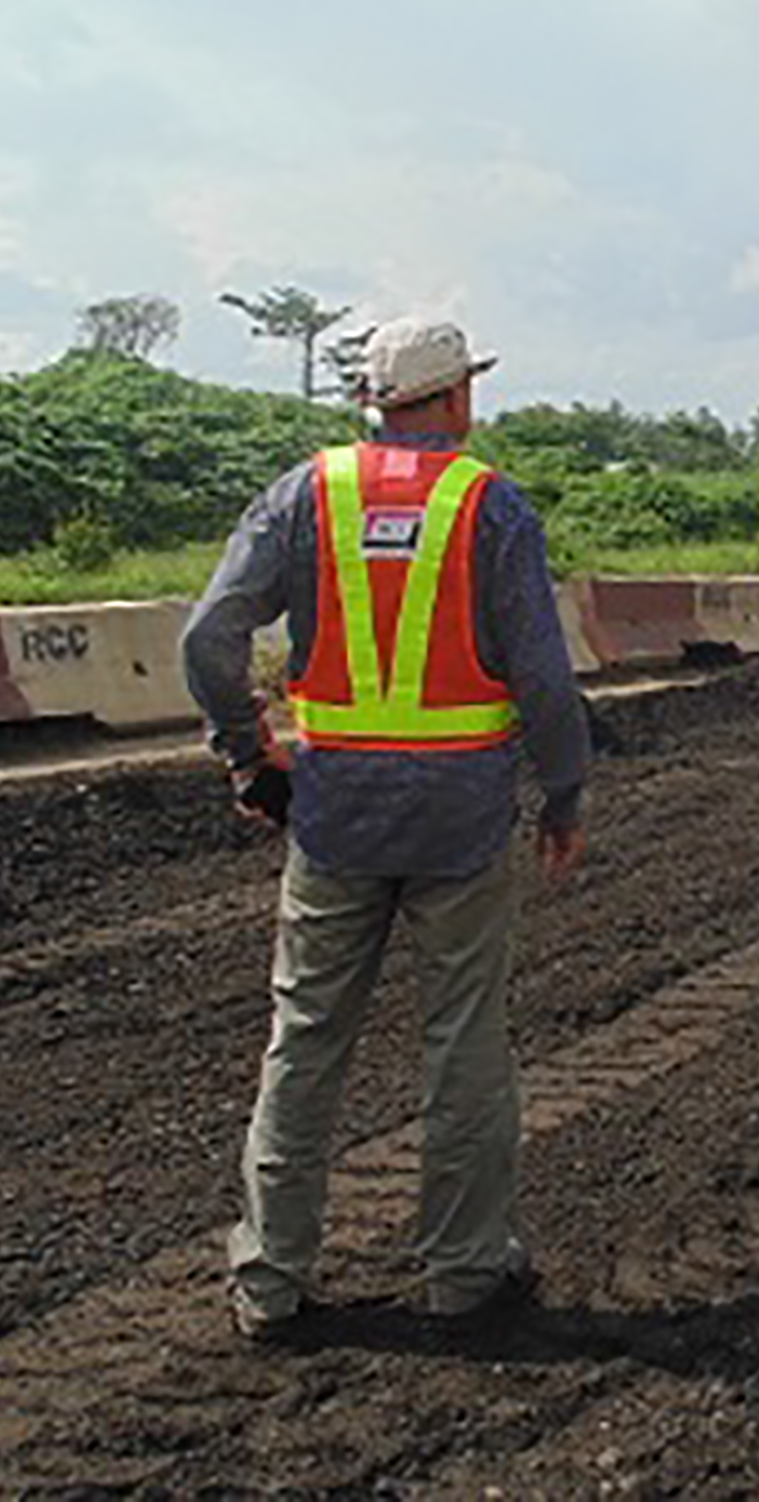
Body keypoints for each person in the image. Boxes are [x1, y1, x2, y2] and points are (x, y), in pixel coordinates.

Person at [183, 317, 593, 1342]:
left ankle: (269, 1280)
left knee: (304, 1042)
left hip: (334, 817)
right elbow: (544, 680)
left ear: (374, 401)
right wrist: (565, 794)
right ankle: (465, 1272)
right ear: (455, 397)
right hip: (462, 820)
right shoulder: (490, 506)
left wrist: (248, 752)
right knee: (464, 1046)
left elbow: (208, 635)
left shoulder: (306, 494)